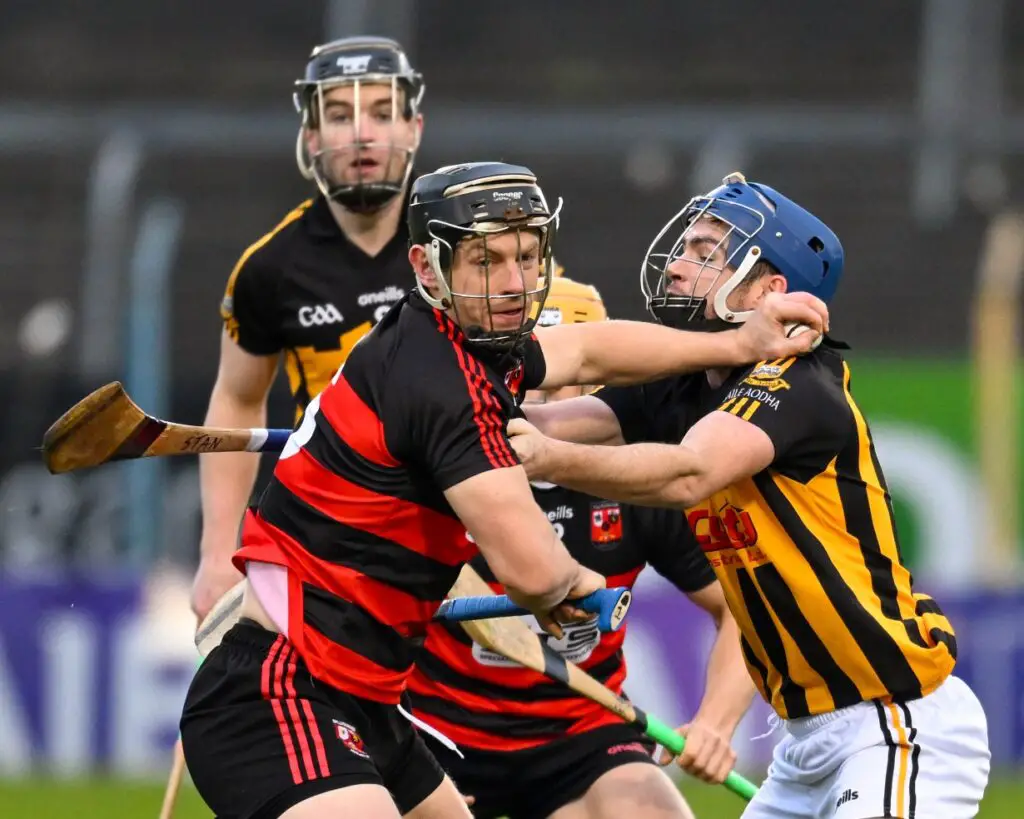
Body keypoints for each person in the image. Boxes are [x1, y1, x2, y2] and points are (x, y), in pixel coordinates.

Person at [178, 162, 828, 819]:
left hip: (365, 698)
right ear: (428, 268)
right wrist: (576, 585)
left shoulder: (463, 344)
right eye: (486, 261)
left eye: (526, 256)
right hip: (282, 688)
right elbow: (534, 573)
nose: (515, 282)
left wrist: (734, 343)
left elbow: (591, 352)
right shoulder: (445, 386)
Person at [507, 172, 992, 819]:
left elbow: (687, 474)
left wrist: (543, 457)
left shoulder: (797, 380)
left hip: (894, 723)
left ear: (771, 291)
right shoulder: (680, 385)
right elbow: (545, 425)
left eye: (705, 253)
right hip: (803, 743)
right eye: (685, 247)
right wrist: (454, 412)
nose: (677, 265)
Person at [407, 275, 756, 819]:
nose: (532, 401)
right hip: (434, 734)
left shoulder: (642, 485)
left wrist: (714, 721)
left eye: (557, 382)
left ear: (598, 386)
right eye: (518, 379)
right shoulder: (440, 475)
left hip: (583, 734)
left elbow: (743, 610)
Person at [191, 35, 426, 622]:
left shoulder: (464, 242)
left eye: (381, 113)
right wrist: (217, 554)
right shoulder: (270, 269)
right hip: (331, 543)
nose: (362, 134)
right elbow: (238, 398)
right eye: (340, 116)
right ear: (312, 137)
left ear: (414, 128)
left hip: (460, 529)